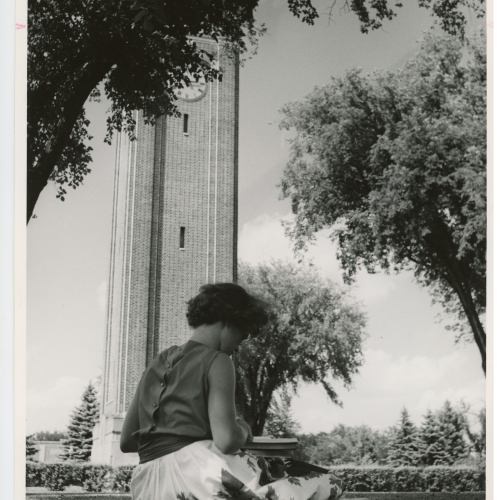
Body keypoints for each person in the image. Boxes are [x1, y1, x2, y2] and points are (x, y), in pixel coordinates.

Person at [120, 283, 344, 500]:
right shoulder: (217, 360)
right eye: (244, 334)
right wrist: (242, 430)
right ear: (229, 321)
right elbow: (226, 440)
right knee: (327, 481)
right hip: (198, 477)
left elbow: (127, 442)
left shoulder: (156, 362)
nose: (239, 344)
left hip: (148, 482)